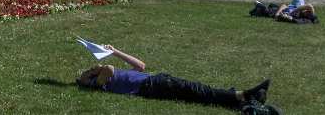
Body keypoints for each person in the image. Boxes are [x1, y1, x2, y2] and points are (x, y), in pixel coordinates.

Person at [76, 44, 270, 110]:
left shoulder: (111, 76)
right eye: (88, 72)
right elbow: (107, 68)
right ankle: (242, 95)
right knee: (195, 90)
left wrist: (116, 51)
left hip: (157, 80)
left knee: (196, 93)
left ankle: (238, 101)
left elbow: (140, 65)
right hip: (151, 86)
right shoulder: (102, 83)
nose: (92, 67)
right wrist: (97, 69)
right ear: (88, 81)